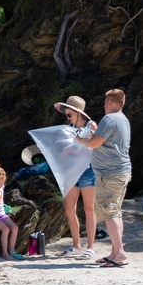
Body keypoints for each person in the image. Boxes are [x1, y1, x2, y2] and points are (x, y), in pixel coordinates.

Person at [75, 88, 131, 267]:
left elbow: (95, 143)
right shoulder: (123, 119)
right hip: (120, 171)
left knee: (109, 212)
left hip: (109, 173)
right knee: (115, 211)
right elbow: (106, 141)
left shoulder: (110, 119)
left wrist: (81, 140)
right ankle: (115, 252)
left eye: (106, 102)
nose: (104, 105)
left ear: (112, 102)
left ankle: (119, 253)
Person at [53, 95, 98, 260]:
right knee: (69, 209)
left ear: (79, 112)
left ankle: (91, 247)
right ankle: (76, 245)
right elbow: (66, 150)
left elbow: (95, 144)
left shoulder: (91, 125)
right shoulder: (68, 129)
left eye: (70, 114)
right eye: (66, 114)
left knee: (89, 208)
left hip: (88, 170)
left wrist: (79, 140)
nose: (68, 117)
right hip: (71, 170)